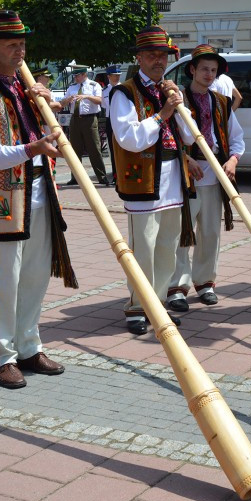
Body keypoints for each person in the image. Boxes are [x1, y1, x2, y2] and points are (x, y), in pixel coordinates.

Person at [0, 9, 75, 389]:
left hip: (41, 192)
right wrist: (34, 146)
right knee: (3, 282)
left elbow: (45, 134)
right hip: (3, 201)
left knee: (36, 276)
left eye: (23, 44)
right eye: (11, 45)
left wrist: (46, 106)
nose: (20, 51)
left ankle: (29, 346)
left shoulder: (25, 86)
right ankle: (2, 356)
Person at [108, 26, 195, 335]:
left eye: (164, 56)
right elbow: (129, 138)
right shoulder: (124, 92)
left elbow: (189, 136)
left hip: (172, 179)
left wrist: (179, 105)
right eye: (153, 55)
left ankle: (157, 304)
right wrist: (163, 113)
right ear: (140, 58)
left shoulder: (169, 90)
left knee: (168, 246)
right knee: (143, 247)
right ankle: (136, 306)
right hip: (142, 179)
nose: (160, 61)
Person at [167, 45, 244, 312]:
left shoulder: (222, 103)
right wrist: (185, 160)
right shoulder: (178, 100)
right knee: (181, 234)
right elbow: (168, 138)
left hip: (214, 177)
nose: (209, 74)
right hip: (184, 177)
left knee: (210, 232)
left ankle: (205, 283)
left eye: (213, 70)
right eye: (204, 69)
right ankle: (176, 286)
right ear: (192, 70)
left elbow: (236, 138)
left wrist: (232, 160)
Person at [61, 66, 108, 186]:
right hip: (75, 120)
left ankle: (102, 177)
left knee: (94, 149)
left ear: (84, 75)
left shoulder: (93, 85)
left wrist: (86, 96)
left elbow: (100, 101)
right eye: (74, 76)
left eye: (77, 76)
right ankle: (75, 177)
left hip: (90, 119)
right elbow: (62, 103)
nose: (75, 78)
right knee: (75, 150)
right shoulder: (72, 87)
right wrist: (68, 100)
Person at [101, 65, 123, 187]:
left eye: (118, 75)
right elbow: (104, 105)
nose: (117, 77)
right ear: (109, 76)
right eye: (114, 75)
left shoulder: (124, 88)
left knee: (123, 147)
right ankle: (115, 176)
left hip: (121, 120)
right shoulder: (104, 91)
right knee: (113, 148)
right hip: (110, 121)